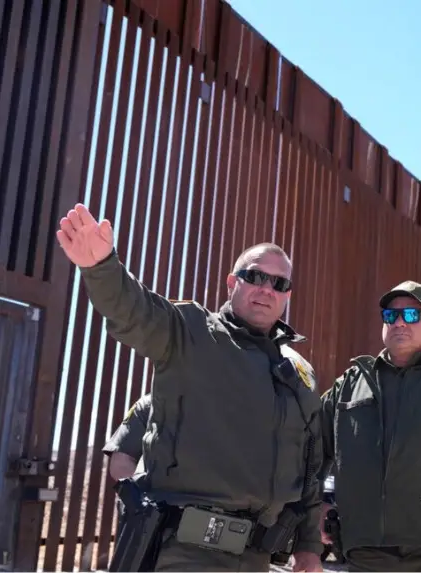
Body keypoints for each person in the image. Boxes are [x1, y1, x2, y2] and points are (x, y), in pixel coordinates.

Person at [55, 203, 324, 572]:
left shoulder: (299, 374)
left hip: (257, 559)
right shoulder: (192, 333)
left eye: (279, 283)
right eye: (255, 276)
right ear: (233, 282)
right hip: (185, 552)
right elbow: (134, 311)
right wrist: (101, 268)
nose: (266, 289)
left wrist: (309, 547)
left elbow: (309, 466)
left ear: (288, 295)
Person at [319, 281, 421, 572]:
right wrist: (317, 504)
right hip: (365, 553)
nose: (400, 322)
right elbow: (311, 450)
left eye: (413, 315)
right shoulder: (350, 385)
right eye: (391, 316)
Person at [99, 393, 152, 570]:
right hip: (154, 531)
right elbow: (121, 466)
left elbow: (119, 465)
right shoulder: (151, 404)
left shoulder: (152, 403)